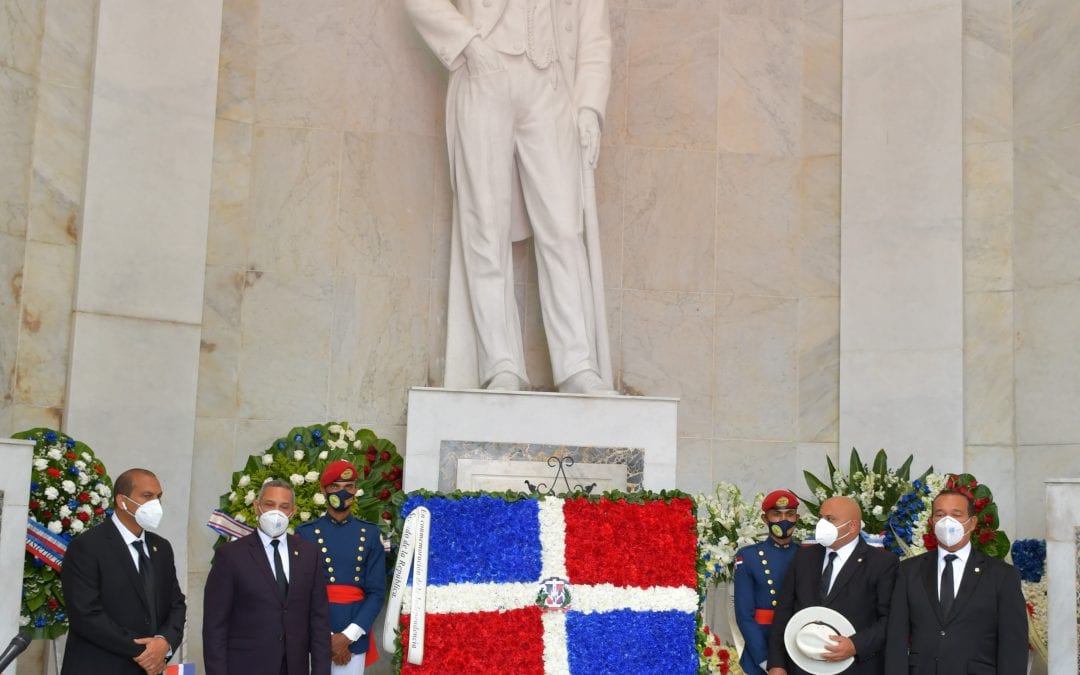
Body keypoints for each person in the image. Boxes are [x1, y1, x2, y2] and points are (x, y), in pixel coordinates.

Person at [404, 0, 614, 394]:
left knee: (564, 228)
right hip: (485, 74)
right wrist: (468, 43)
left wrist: (589, 106)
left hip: (551, 84)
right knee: (486, 223)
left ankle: (576, 363)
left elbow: (594, 32)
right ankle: (500, 362)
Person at [884, 489, 1028, 674]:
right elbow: (896, 636)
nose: (947, 521)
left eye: (956, 514)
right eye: (940, 515)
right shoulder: (909, 571)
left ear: (972, 522)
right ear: (932, 522)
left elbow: (1013, 644)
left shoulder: (1002, 575)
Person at [60, 467, 186, 675]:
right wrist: (145, 651)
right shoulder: (88, 546)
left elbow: (176, 604)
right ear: (122, 501)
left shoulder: (162, 548)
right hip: (100, 667)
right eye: (147, 496)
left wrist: (165, 643)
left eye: (158, 497)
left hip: (151, 667)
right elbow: (86, 614)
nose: (156, 504)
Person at [203, 480, 330, 675]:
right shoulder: (230, 555)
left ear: (293, 512)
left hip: (295, 667)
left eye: (284, 506)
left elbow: (319, 621)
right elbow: (215, 627)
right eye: (270, 504)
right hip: (246, 667)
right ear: (257, 506)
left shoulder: (309, 554)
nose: (276, 512)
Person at [767, 496, 898, 675]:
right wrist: (777, 664)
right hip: (803, 665)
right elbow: (783, 612)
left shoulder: (882, 562)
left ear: (852, 526)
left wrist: (855, 645)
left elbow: (890, 619)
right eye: (821, 517)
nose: (822, 524)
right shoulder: (803, 557)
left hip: (855, 668)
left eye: (830, 519)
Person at [296, 461, 386, 675]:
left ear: (355, 490)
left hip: (355, 631)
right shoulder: (306, 533)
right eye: (335, 486)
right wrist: (326, 638)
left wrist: (347, 637)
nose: (343, 492)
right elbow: (299, 592)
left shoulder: (370, 534)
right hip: (315, 633)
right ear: (324, 489)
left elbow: (376, 592)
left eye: (348, 486)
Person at [734, 490, 801, 675]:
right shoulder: (749, 556)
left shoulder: (805, 554)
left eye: (790, 514)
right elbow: (744, 615)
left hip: (799, 644)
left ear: (797, 518)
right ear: (765, 519)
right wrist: (766, 661)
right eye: (777, 514)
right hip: (761, 646)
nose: (784, 520)